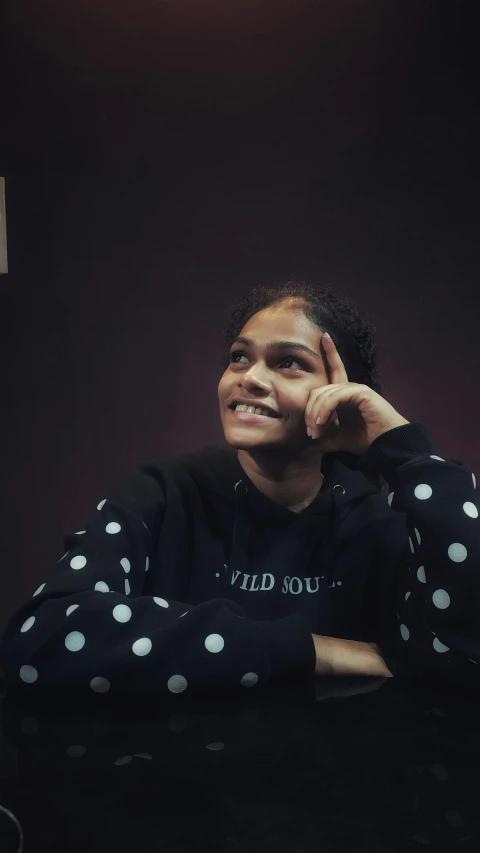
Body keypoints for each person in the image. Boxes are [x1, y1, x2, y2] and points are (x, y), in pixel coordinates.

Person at [1, 280, 479, 696]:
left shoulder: (379, 521)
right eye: (239, 357)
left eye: (289, 362)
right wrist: (308, 650)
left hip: (338, 792)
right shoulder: (162, 495)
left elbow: (462, 659)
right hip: (176, 787)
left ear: (341, 393)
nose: (249, 378)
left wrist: (405, 453)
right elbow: (40, 639)